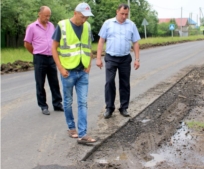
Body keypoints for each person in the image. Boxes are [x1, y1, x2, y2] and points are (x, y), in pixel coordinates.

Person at [51, 2, 96, 144]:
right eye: (82, 17)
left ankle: (83, 134)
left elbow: (89, 46)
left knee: (83, 102)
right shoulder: (62, 25)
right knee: (68, 102)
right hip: (68, 72)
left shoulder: (87, 27)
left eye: (87, 18)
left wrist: (89, 64)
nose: (85, 20)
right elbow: (54, 48)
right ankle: (72, 128)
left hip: (83, 71)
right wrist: (60, 68)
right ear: (75, 13)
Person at [96, 3, 141, 119]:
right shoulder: (108, 23)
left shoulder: (131, 25)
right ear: (117, 12)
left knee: (125, 83)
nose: (124, 16)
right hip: (111, 57)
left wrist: (137, 59)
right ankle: (109, 108)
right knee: (109, 82)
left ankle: (124, 107)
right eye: (122, 14)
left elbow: (135, 42)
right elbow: (101, 41)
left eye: (126, 14)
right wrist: (98, 58)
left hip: (125, 58)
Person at [24, 6, 63, 115]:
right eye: (46, 15)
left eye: (49, 16)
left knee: (54, 82)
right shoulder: (32, 27)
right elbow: (27, 43)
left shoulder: (51, 26)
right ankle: (43, 106)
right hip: (39, 57)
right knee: (40, 83)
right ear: (39, 14)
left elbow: (55, 40)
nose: (48, 18)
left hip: (51, 57)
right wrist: (35, 52)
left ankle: (57, 104)